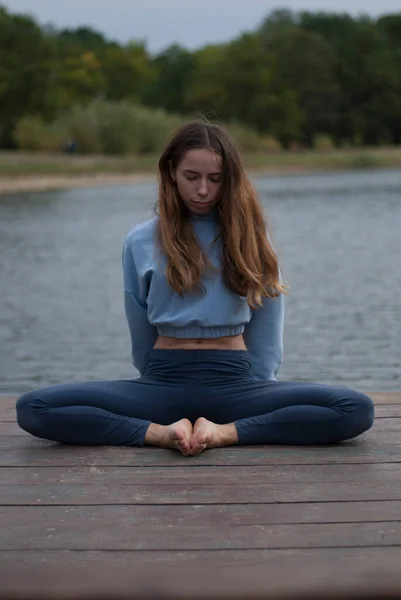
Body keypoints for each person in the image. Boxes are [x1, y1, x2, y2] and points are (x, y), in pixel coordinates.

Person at [16, 120, 374, 456]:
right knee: (34, 407)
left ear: (230, 179)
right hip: (163, 380)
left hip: (236, 380)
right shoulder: (140, 241)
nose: (203, 190)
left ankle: (223, 433)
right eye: (191, 176)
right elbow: (139, 322)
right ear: (171, 172)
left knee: (355, 409)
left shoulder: (250, 235)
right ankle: (159, 433)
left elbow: (267, 319)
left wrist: (261, 389)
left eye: (215, 179)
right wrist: (150, 391)